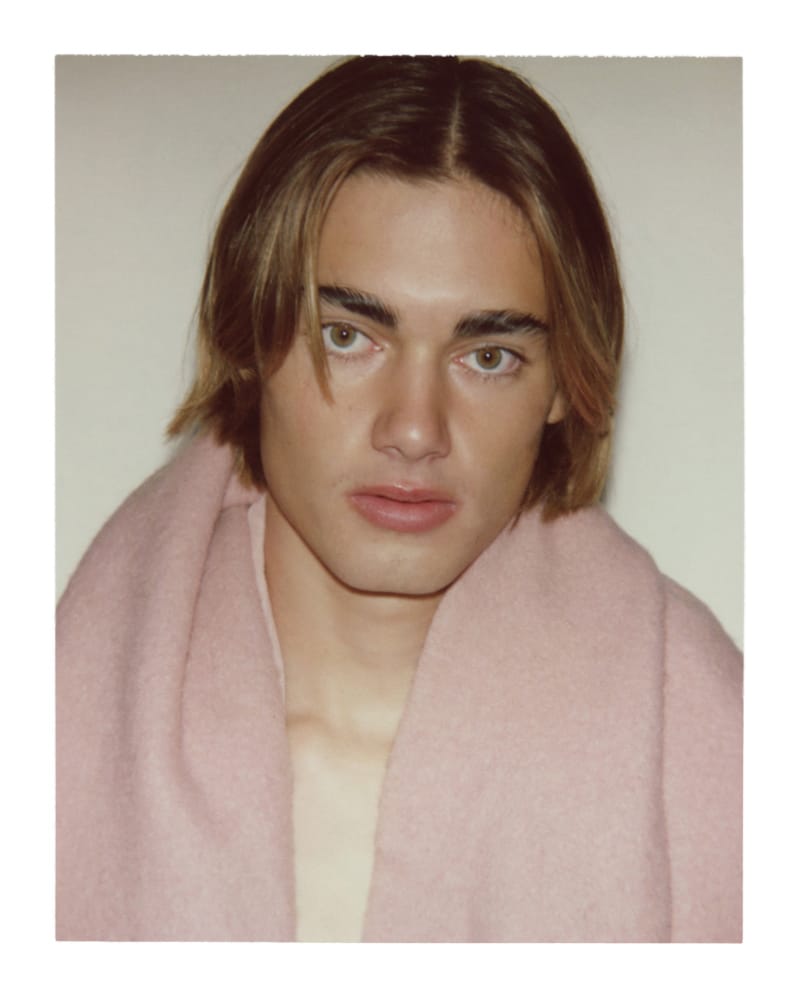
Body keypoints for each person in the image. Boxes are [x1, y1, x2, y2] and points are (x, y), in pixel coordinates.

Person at [56, 55, 742, 943]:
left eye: (487, 356)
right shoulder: (59, 725)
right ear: (248, 339)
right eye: (348, 337)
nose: (415, 430)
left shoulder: (721, 753)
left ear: (564, 384)